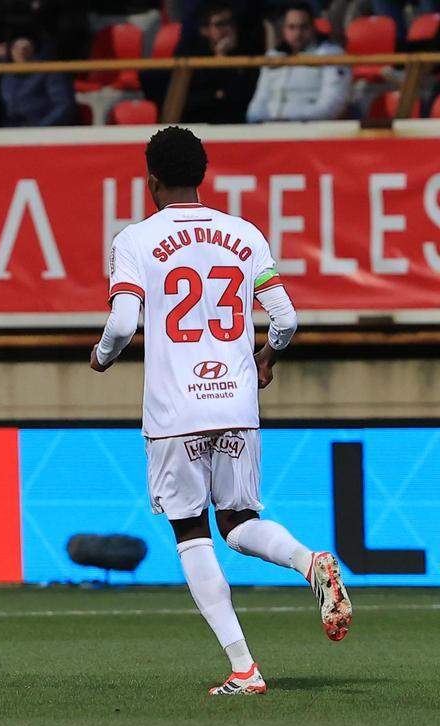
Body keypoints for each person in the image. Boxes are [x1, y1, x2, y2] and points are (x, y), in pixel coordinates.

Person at [89, 126, 352, 696]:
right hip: (236, 402)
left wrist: (103, 356)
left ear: (151, 180)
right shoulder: (243, 233)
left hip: (175, 411)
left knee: (192, 533)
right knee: (238, 521)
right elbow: (286, 319)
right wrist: (266, 357)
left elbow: (123, 322)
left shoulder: (135, 239)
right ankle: (308, 562)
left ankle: (244, 668)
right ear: (202, 175)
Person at [246, 3, 351, 123]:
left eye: (303, 27)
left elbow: (333, 104)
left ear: (313, 27)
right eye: (292, 27)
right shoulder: (273, 56)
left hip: (312, 127)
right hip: (269, 126)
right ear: (284, 30)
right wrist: (255, 120)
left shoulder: (331, 54)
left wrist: (294, 120)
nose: (298, 33)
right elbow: (260, 99)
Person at [178, 3, 259, 124]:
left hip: (238, 124)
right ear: (205, 30)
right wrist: (219, 57)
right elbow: (194, 101)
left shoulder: (247, 58)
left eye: (229, 23)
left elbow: (244, 97)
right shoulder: (195, 59)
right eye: (219, 24)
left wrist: (224, 57)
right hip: (201, 123)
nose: (226, 29)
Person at [0, 34, 76, 127]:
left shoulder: (52, 72)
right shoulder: (5, 74)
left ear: (34, 49)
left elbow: (64, 106)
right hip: (11, 130)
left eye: (26, 47)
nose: (21, 51)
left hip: (44, 130)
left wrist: (39, 128)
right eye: (16, 47)